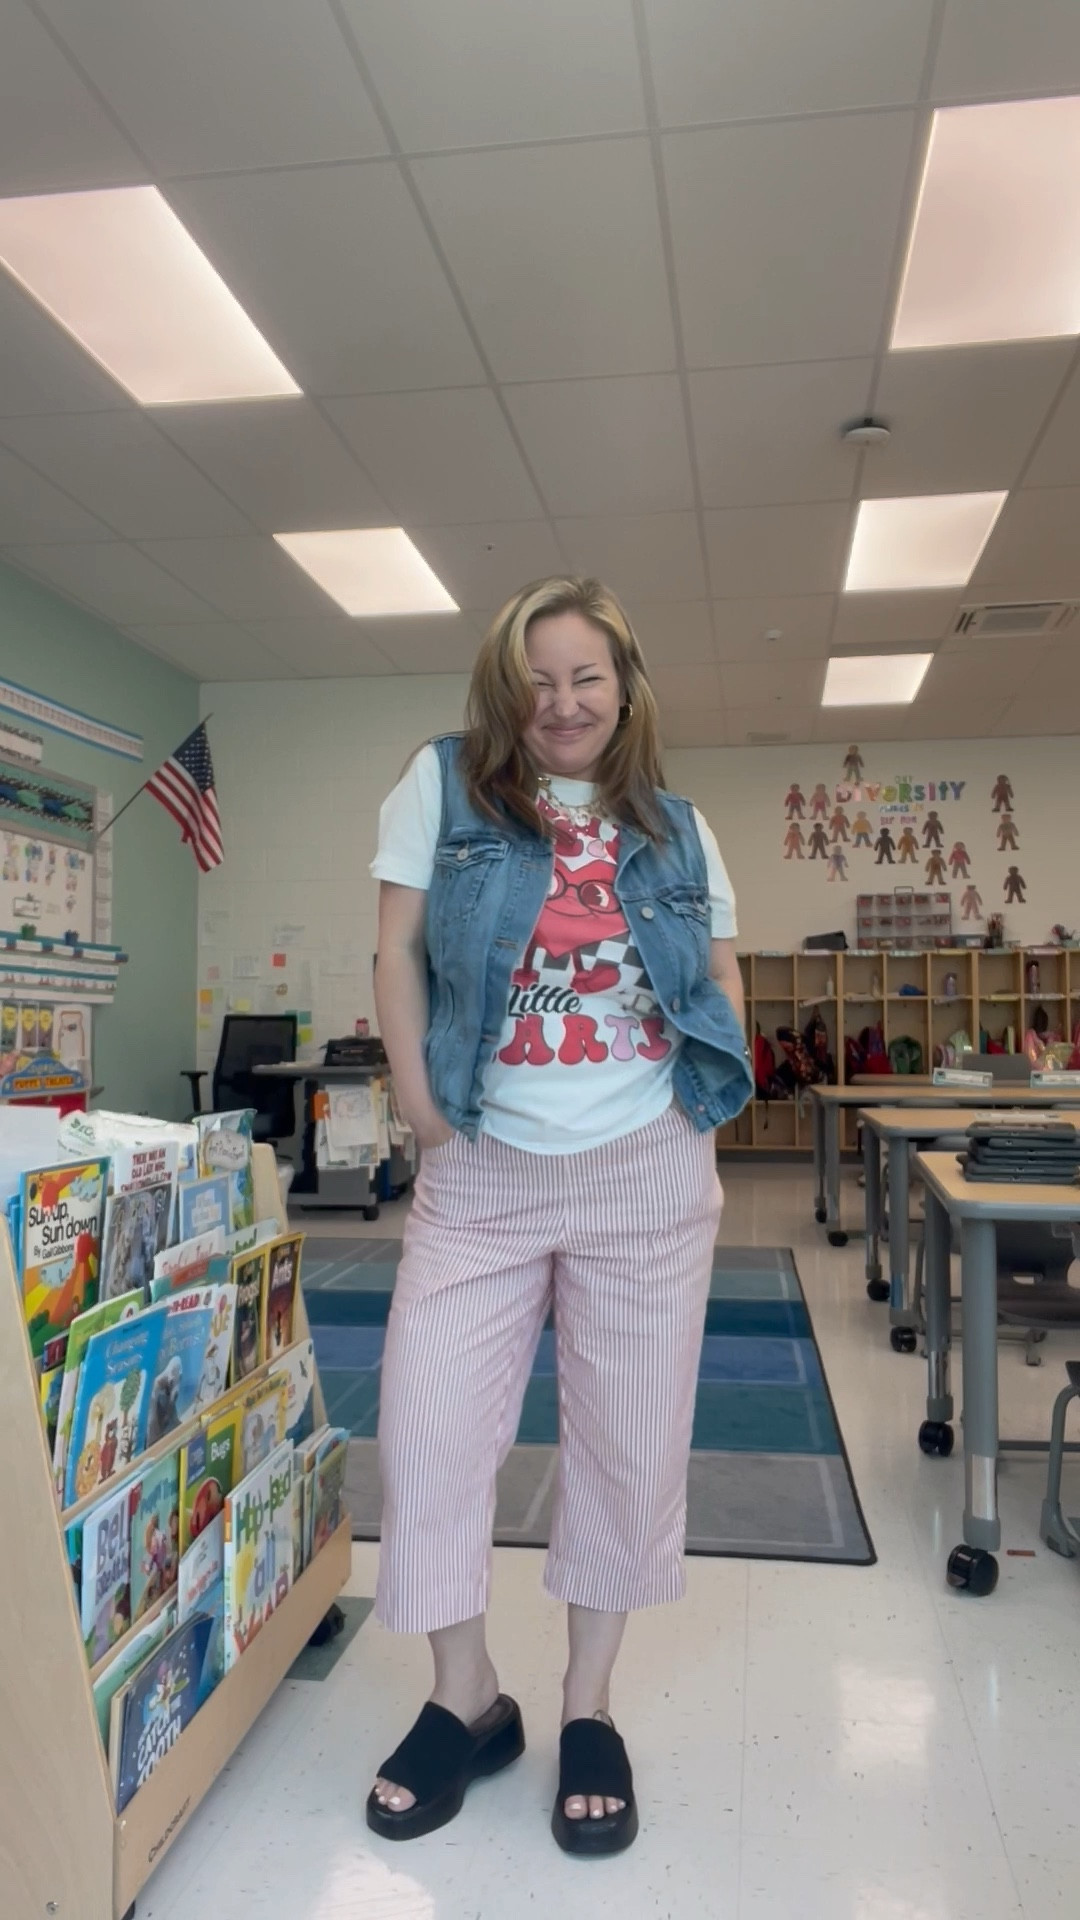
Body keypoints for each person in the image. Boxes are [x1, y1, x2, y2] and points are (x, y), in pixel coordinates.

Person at [367, 576, 752, 1856]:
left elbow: (719, 964)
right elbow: (397, 948)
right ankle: (465, 1697)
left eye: (587, 676)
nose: (562, 701)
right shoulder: (443, 788)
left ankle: (590, 1706)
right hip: (482, 1170)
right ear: (504, 689)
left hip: (644, 1170)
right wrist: (420, 1105)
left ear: (625, 689)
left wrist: (716, 1086)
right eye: (538, 679)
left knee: (629, 1450)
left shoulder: (680, 828)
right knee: (428, 1436)